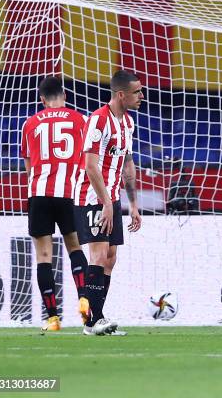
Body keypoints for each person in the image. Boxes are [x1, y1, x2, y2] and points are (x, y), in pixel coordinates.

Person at [73, 70, 143, 336]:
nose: (141, 96)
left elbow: (127, 163)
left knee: (110, 259)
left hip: (111, 199)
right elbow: (91, 166)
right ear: (121, 94)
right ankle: (93, 320)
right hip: (92, 197)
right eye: (137, 92)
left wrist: (133, 204)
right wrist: (105, 202)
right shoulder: (98, 121)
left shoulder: (128, 124)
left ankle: (97, 319)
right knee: (99, 255)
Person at [20, 76, 89, 331]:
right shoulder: (79, 120)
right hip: (70, 192)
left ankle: (52, 318)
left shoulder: (30, 123)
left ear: (42, 99)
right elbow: (88, 156)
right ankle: (84, 298)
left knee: (44, 256)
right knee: (74, 246)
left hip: (39, 192)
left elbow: (28, 166)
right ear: (65, 96)